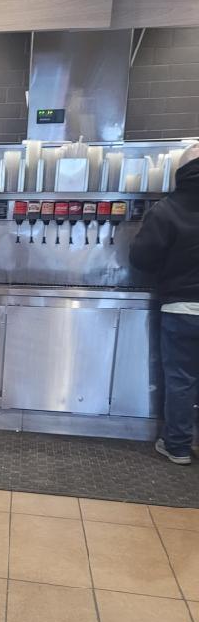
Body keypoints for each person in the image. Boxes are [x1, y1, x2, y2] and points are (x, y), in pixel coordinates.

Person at [130, 143, 199, 465]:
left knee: (181, 379)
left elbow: (142, 258)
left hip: (181, 307)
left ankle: (179, 447)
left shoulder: (168, 209)